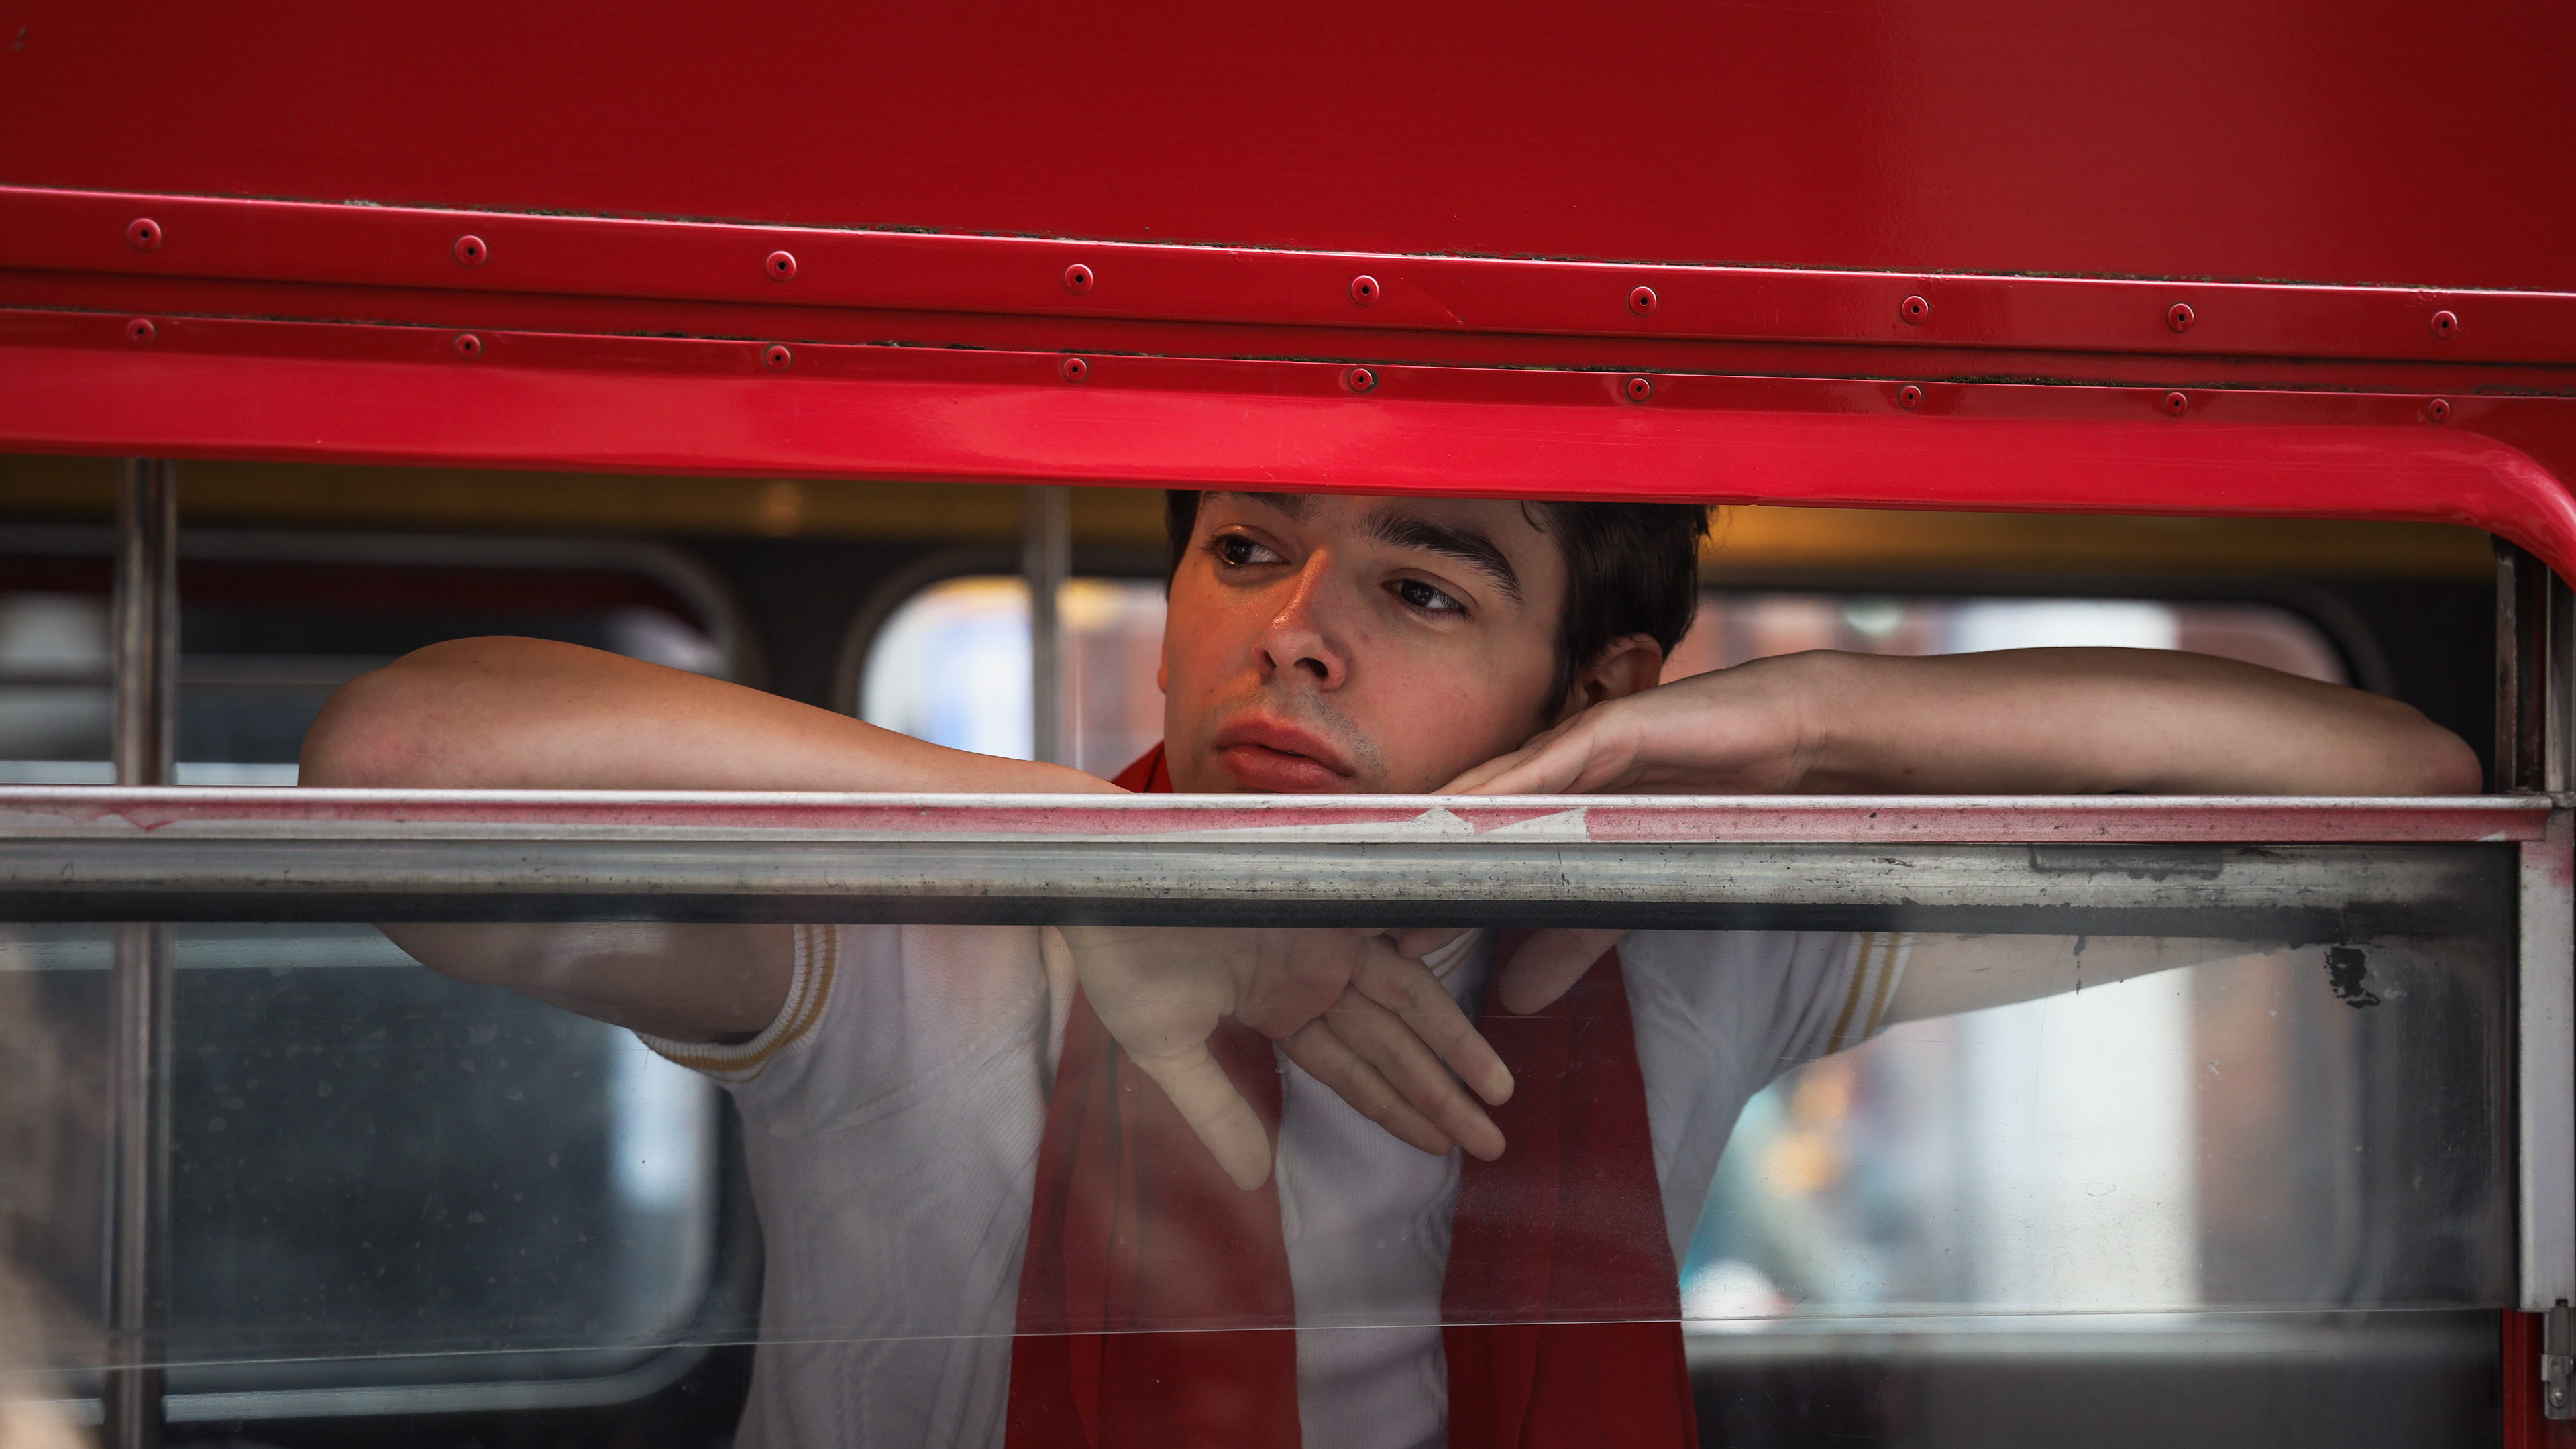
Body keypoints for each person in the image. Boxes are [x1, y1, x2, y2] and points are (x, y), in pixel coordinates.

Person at [301, 490, 2478, 1449]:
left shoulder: (1664, 956)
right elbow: (395, 762)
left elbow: (2378, 784)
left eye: (1426, 590)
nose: (1295, 626)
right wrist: (1113, 868)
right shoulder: (920, 932)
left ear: (1591, 683)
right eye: (1248, 551)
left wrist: (1795, 726)